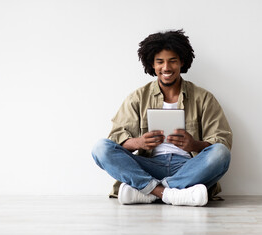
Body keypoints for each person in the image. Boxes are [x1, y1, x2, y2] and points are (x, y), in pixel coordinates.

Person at [92, 29, 232, 207]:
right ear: (152, 64)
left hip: (188, 167)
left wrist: (193, 145)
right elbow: (115, 140)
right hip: (148, 166)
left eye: (172, 61)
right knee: (100, 148)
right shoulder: (138, 97)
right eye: (160, 62)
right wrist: (139, 143)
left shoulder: (203, 98)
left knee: (221, 153)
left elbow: (222, 141)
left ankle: (148, 192)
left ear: (182, 61)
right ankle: (170, 193)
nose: (166, 67)